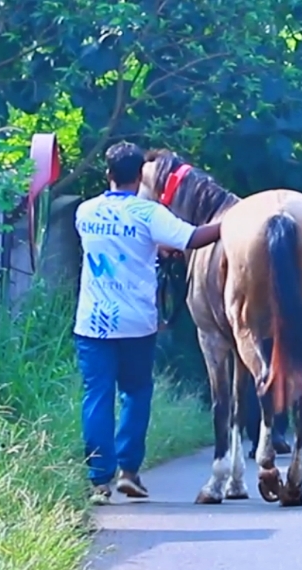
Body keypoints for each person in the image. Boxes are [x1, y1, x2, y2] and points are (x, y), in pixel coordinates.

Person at [74, 141, 223, 505]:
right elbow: (193, 238)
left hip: (92, 323)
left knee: (97, 396)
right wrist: (232, 220)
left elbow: (113, 246)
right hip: (136, 323)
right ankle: (129, 471)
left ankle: (99, 481)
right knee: (136, 394)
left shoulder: (84, 212)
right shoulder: (148, 214)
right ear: (141, 174)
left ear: (107, 174)